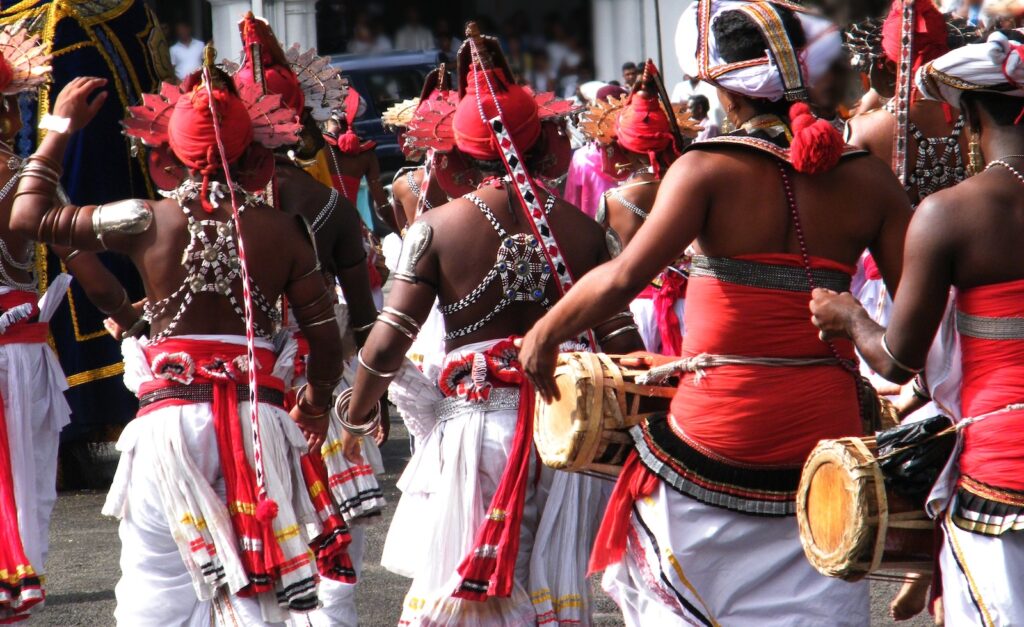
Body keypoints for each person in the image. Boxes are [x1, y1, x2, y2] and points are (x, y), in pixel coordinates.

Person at [519, 2, 913, 624]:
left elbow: (623, 277)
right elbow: (914, 328)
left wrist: (544, 333)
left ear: (722, 88)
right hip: (827, 447)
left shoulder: (703, 169)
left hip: (719, 435)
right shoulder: (869, 181)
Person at [12, 56, 347, 623]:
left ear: (166, 158)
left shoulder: (145, 219)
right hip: (259, 428)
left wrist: (59, 127)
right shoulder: (284, 233)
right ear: (254, 154)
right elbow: (325, 343)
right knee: (257, 593)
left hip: (169, 429)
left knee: (158, 591)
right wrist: (314, 405)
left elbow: (28, 216)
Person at [341, 24, 643, 626]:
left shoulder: (440, 228)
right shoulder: (583, 228)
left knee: (470, 595)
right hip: (562, 434)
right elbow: (624, 345)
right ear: (543, 144)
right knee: (540, 586)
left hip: (476, 432)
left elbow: (387, 340)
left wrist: (356, 410)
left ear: (456, 151)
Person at [810, 28, 1024, 626]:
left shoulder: (949, 214)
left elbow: (896, 362)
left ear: (971, 113)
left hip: (1001, 478)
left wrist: (848, 315)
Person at [231, 19, 386, 626]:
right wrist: (372, 396)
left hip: (238, 385)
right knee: (334, 531)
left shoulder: (199, 206)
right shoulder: (330, 206)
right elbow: (367, 319)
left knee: (248, 526)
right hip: (324, 377)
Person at [0, 25, 142, 623]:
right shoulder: (26, 181)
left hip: (18, 350)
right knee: (26, 496)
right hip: (15, 359)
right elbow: (98, 281)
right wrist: (133, 321)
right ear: (8, 113)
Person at [584, 60, 700, 355]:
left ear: (622, 147)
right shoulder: (691, 187)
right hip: (693, 306)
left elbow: (605, 263)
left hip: (638, 314)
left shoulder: (611, 200)